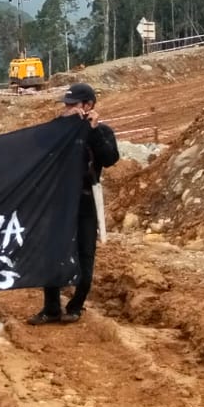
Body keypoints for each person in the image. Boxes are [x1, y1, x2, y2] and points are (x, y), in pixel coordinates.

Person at [27, 83, 119, 326]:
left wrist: (93, 129)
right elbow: (37, 142)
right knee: (51, 252)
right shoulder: (58, 131)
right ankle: (51, 308)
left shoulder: (102, 131)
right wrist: (61, 123)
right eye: (65, 105)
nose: (67, 108)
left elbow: (110, 158)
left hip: (85, 202)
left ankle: (76, 306)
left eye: (72, 104)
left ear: (88, 105)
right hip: (57, 202)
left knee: (85, 254)